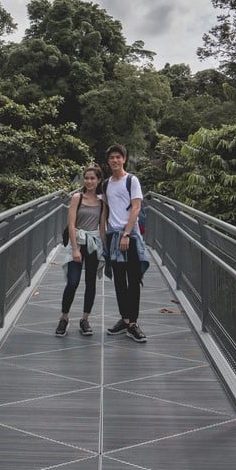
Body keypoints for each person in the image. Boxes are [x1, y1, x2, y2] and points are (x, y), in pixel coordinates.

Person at [102, 144, 149, 343]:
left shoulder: (132, 180)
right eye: (111, 157)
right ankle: (125, 319)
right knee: (119, 281)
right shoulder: (106, 184)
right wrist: (103, 235)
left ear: (124, 159)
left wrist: (127, 234)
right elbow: (105, 209)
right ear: (108, 161)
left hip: (130, 236)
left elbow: (136, 208)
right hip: (113, 236)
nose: (115, 160)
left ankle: (133, 323)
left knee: (134, 280)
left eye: (118, 157)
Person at [56, 165, 106, 336]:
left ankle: (85, 319)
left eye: (93, 178)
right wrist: (75, 249)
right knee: (73, 282)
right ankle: (64, 318)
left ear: (98, 180)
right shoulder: (77, 198)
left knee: (91, 283)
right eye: (86, 178)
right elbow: (71, 225)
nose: (89, 181)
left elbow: (102, 228)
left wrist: (104, 249)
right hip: (77, 242)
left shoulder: (102, 203)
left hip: (93, 244)